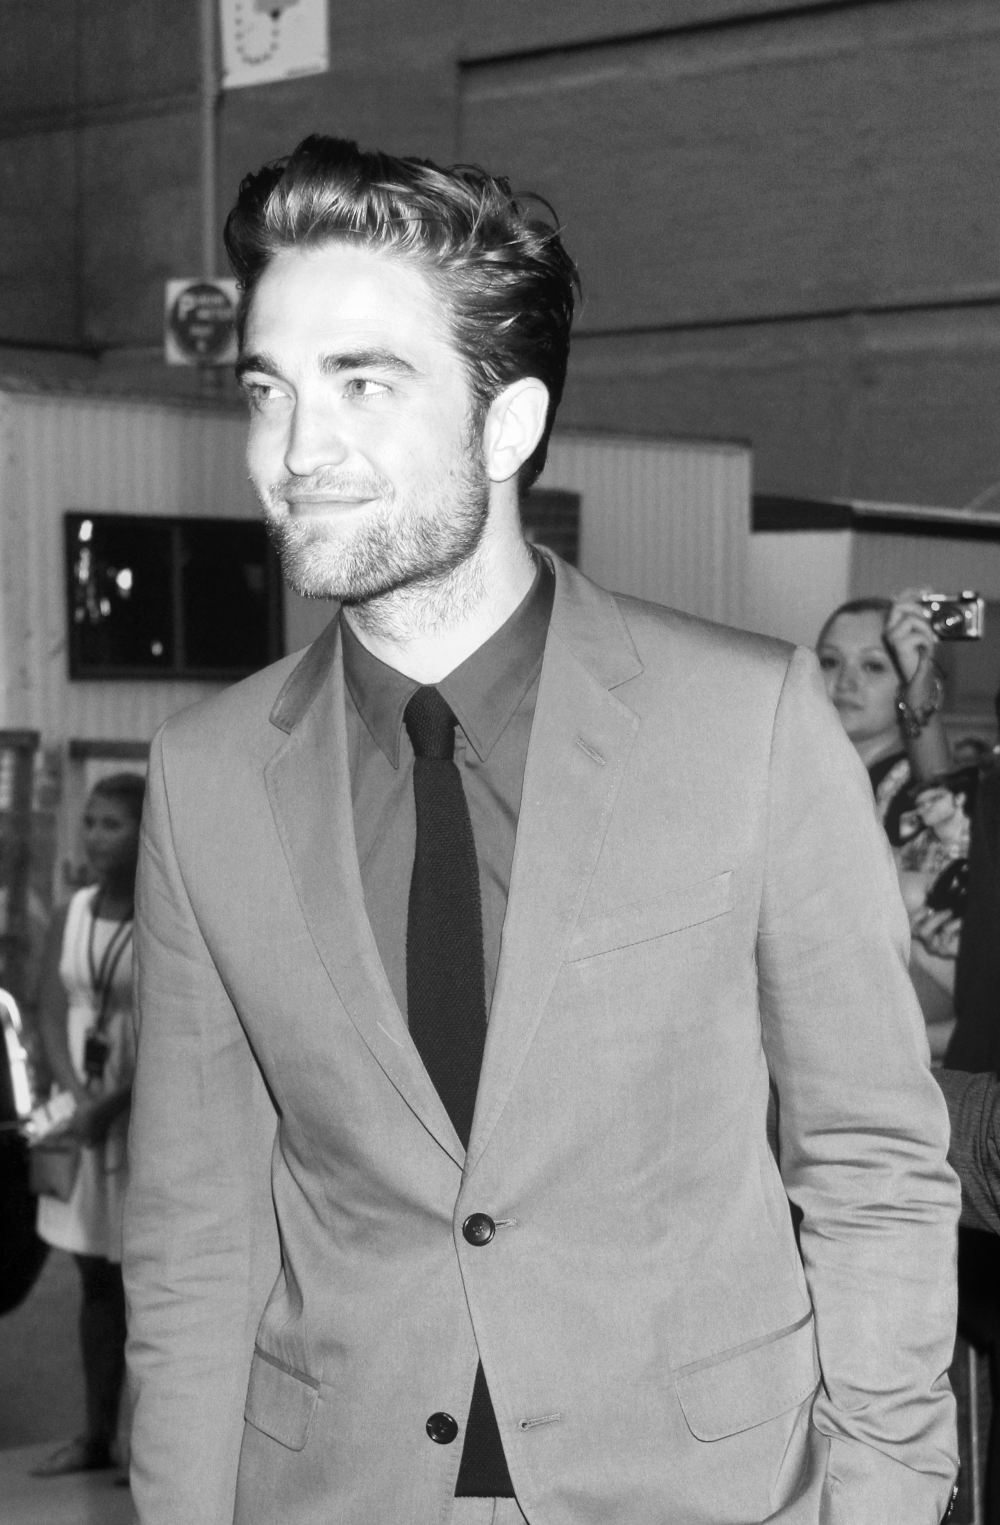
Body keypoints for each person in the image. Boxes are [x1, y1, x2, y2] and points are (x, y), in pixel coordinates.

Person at [123, 135, 959, 1525]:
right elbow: (194, 1236)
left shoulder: (743, 721)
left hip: (698, 1492)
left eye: (362, 384)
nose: (297, 450)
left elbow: (871, 1161)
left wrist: (879, 1499)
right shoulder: (206, 778)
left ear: (507, 427)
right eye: (268, 391)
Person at [31, 772, 144, 1476]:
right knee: (94, 1280)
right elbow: (48, 1009)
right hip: (83, 1115)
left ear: (145, 831)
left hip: (141, 1116)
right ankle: (96, 1434)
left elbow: (176, 1025)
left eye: (113, 824)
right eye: (91, 822)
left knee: (146, 1281)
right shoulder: (71, 913)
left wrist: (115, 1101)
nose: (97, 837)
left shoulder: (163, 915)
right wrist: (77, 1096)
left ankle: (149, 1444)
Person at [816, 593, 951, 842]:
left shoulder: (915, 795)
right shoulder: (788, 775)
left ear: (908, 684)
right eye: (830, 662)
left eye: (873, 666)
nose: (845, 682)